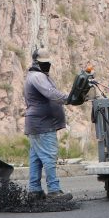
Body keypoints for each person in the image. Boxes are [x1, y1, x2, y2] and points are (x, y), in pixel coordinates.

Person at [24, 49, 72, 201]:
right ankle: (54, 190)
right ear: (37, 63)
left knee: (36, 158)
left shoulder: (37, 76)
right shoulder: (38, 77)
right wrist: (70, 98)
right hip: (42, 124)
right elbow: (51, 93)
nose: (48, 66)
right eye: (45, 63)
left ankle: (35, 191)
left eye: (48, 63)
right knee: (49, 156)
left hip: (38, 123)